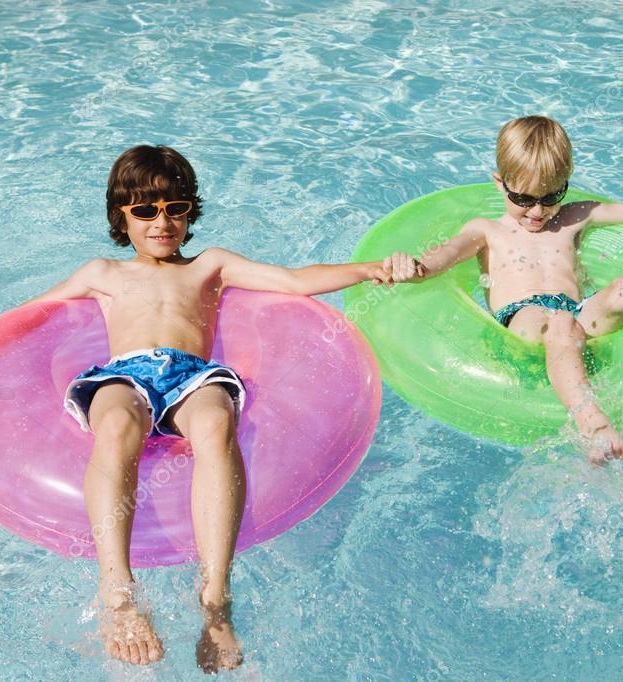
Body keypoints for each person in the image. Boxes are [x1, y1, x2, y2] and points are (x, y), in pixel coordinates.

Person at [27, 145, 390, 671]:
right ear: (119, 215)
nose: (162, 222)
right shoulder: (102, 272)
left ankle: (215, 596)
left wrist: (370, 268)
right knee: (118, 423)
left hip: (189, 375)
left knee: (217, 420)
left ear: (190, 212)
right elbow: (33, 315)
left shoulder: (210, 266)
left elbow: (293, 280)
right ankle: (117, 590)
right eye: (145, 211)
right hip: (124, 375)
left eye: (175, 208)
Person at [383, 115, 623, 464]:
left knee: (620, 292)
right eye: (524, 199)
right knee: (557, 323)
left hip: (577, 313)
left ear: (566, 184)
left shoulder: (575, 216)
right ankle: (594, 425)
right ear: (499, 183)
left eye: (551, 196)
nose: (538, 211)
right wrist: (412, 268)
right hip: (522, 321)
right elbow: (442, 258)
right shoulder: (485, 230)